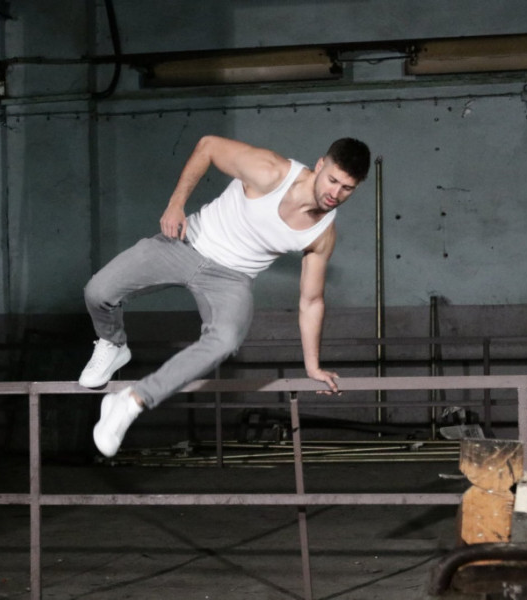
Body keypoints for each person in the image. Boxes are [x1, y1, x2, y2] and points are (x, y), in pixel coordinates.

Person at [79, 135, 371, 457]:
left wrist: (313, 366)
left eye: (347, 188)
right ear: (320, 165)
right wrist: (176, 204)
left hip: (232, 279)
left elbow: (311, 301)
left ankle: (131, 402)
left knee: (226, 340)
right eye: (332, 181)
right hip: (185, 243)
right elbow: (207, 146)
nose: (335, 194)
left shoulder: (322, 234)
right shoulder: (270, 171)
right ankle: (113, 343)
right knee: (98, 292)